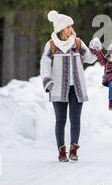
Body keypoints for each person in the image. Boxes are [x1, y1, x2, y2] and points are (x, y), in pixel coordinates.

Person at [40, 10, 96, 162]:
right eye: (67, 27)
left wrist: (95, 48)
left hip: (76, 88)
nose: (70, 29)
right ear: (60, 29)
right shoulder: (51, 45)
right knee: (60, 120)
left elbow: (90, 58)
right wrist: (47, 80)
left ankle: (73, 150)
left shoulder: (77, 43)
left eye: (71, 26)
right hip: (58, 88)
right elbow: (45, 64)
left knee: (75, 119)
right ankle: (61, 151)